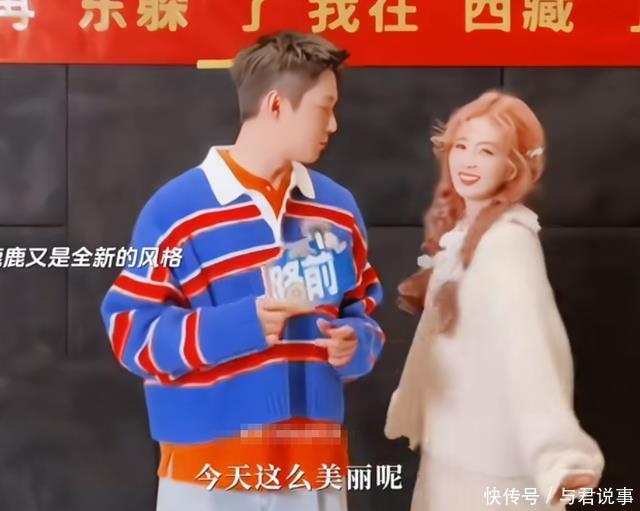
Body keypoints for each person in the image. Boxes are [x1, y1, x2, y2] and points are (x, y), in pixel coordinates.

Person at [101, 31, 384, 511]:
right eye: (324, 108)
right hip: (206, 472)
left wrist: (356, 343)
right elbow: (132, 333)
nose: (334, 124)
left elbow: (363, 309)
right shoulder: (176, 210)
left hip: (313, 470)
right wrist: (241, 324)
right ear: (276, 105)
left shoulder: (337, 208)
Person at [385, 91, 604, 511]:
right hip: (457, 446)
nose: (467, 161)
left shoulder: (505, 244)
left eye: (486, 151)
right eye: (461, 146)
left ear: (513, 164)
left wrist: (561, 456)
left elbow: (532, 350)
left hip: (489, 461)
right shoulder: (469, 235)